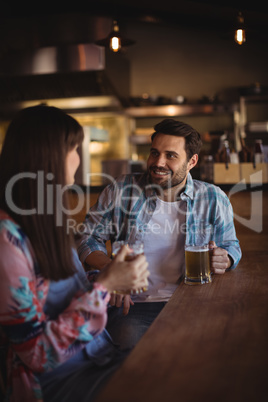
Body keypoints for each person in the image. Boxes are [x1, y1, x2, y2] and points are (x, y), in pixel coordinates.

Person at [0, 105, 149, 402]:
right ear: (49, 157)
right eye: (74, 148)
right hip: (55, 382)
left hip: (95, 358)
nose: (79, 159)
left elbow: (60, 287)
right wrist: (105, 286)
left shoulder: (41, 219)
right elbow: (38, 355)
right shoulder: (7, 242)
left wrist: (108, 281)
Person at [76, 118, 242, 350]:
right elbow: (87, 238)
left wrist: (227, 257)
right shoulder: (121, 190)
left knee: (217, 350)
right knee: (127, 350)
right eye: (154, 153)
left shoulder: (214, 198)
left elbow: (231, 246)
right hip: (133, 305)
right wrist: (113, 272)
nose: (158, 162)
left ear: (192, 161)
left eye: (170, 156)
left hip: (195, 302)